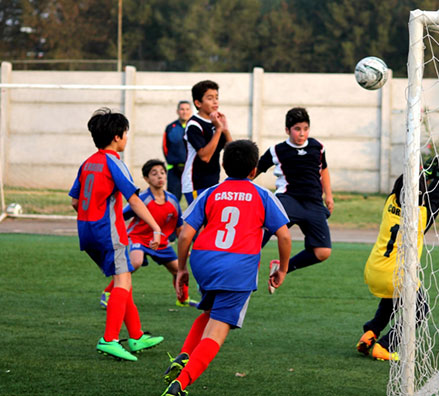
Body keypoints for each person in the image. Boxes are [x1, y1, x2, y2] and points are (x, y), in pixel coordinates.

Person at [161, 140, 292, 396]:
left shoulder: (210, 192)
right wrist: (283, 269)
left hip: (204, 261)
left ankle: (184, 356)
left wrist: (182, 269)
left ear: (223, 165)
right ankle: (181, 384)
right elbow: (285, 237)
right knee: (218, 329)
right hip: (237, 268)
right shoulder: (264, 196)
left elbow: (186, 235)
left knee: (211, 312)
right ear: (254, 170)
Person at [68, 108, 164, 362]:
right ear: (118, 137)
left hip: (86, 232)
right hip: (108, 233)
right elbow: (134, 200)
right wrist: (156, 227)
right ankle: (109, 339)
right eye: (126, 134)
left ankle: (136, 336)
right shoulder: (114, 162)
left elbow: (75, 202)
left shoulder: (88, 162)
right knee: (122, 282)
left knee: (124, 281)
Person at [356, 153, 439, 361]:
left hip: (374, 269)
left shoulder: (389, 203)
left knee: (392, 300)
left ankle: (371, 332)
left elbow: (401, 185)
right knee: (420, 309)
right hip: (396, 276)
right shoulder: (420, 218)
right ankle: (385, 345)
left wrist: (424, 173)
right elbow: (436, 199)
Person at [99, 159, 197, 310]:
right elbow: (120, 215)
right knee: (135, 262)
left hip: (161, 242)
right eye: (154, 173)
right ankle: (108, 293)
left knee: (179, 269)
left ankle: (183, 299)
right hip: (138, 238)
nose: (159, 177)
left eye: (162, 173)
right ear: (146, 178)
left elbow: (179, 229)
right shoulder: (141, 200)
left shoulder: (173, 201)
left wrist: (184, 247)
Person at [256, 107, 333, 291]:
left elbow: (324, 169)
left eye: (305, 128)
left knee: (322, 252)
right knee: (258, 238)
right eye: (297, 129)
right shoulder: (277, 150)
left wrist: (329, 195)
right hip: (287, 200)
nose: (302, 133)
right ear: (287, 130)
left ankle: (283, 268)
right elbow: (256, 170)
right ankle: (244, 267)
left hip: (313, 203)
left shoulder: (317, 147)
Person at [181, 80, 232, 205]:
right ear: (198, 103)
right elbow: (205, 156)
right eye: (210, 98)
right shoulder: (194, 125)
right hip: (195, 183)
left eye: (216, 98)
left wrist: (225, 129)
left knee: (211, 223)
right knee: (199, 223)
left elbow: (232, 151)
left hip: (213, 181)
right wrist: (219, 130)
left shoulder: (216, 123)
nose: (215, 102)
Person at [163, 101, 192, 202]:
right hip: (174, 171)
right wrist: (173, 161)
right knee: (172, 200)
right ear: (177, 111)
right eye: (182, 109)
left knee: (193, 201)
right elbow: (165, 147)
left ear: (191, 111)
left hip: (191, 171)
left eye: (187, 109)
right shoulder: (171, 128)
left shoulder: (194, 127)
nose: (184, 112)